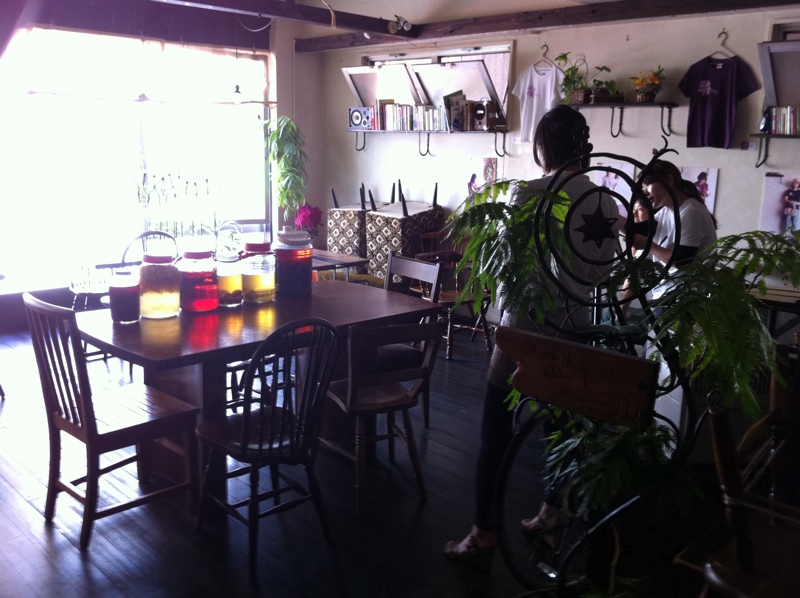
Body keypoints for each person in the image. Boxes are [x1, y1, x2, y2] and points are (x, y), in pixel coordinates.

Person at [444, 105, 620, 564]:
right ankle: (551, 511)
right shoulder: (604, 201)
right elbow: (604, 271)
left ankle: (483, 533)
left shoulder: (527, 194)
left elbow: (506, 269)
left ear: (544, 147)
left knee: (495, 432)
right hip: (574, 329)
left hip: (522, 331)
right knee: (561, 430)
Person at [632, 160, 718, 302]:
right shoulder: (666, 211)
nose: (645, 191)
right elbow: (642, 229)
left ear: (669, 180)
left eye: (647, 185)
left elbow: (682, 261)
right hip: (668, 295)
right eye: (643, 187)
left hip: (686, 298)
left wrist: (648, 244)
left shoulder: (691, 212)